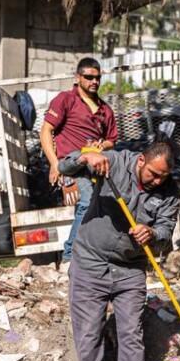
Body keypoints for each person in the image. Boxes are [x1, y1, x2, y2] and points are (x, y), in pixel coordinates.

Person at [57, 141, 179, 361]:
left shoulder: (169, 192)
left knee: (130, 334)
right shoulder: (114, 163)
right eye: (153, 174)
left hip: (129, 270)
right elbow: (64, 167)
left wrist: (152, 234)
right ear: (140, 161)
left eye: (163, 176)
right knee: (89, 332)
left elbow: (165, 233)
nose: (157, 181)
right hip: (90, 263)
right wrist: (88, 157)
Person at [40, 57, 119, 267]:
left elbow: (112, 139)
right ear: (78, 78)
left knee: (107, 205)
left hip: (95, 165)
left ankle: (98, 254)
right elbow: (46, 131)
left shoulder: (105, 109)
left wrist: (104, 146)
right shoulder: (66, 99)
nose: (94, 81)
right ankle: (68, 257)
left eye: (97, 77)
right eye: (89, 77)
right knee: (86, 202)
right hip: (71, 163)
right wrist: (54, 164)